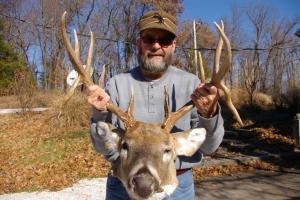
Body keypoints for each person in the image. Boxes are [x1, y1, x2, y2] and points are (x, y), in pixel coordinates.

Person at [87, 10, 224, 200]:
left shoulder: (192, 85)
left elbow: (209, 147)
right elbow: (102, 146)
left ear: (173, 45)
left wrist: (209, 115)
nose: (156, 46)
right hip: (124, 186)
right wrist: (99, 113)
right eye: (149, 39)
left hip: (176, 189)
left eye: (165, 40)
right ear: (139, 43)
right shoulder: (117, 84)